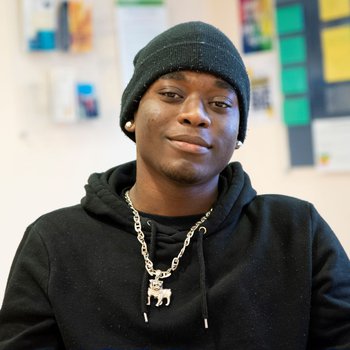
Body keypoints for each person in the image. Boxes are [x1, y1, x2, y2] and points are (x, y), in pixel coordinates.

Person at [0, 21, 349, 350]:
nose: (195, 114)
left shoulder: (297, 233)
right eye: (170, 93)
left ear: (238, 133)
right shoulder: (55, 244)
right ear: (132, 115)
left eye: (220, 103)